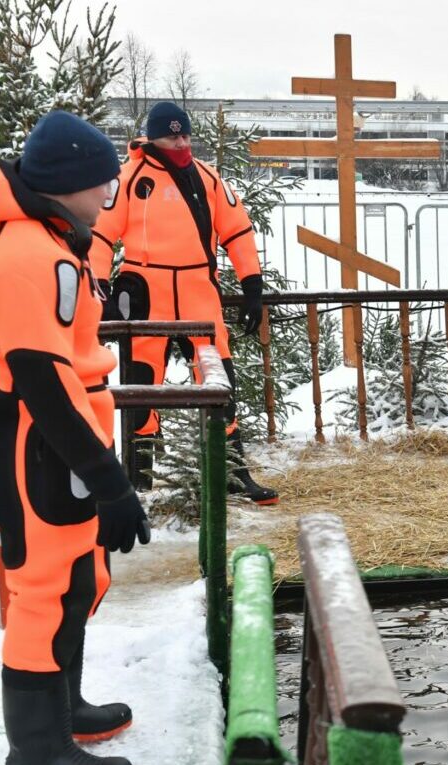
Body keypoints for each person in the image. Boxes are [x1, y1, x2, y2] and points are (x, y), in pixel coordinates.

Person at [0, 111, 149, 765]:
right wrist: (109, 479)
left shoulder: (49, 236)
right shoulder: (31, 254)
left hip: (46, 437)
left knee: (74, 580)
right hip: (31, 439)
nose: (111, 192)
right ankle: (36, 750)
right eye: (103, 181)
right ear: (69, 184)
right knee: (43, 591)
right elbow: (45, 384)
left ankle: (65, 710)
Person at [88, 100, 277, 504]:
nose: (180, 141)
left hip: (198, 292)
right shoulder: (129, 177)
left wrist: (252, 286)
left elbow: (238, 230)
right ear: (152, 136)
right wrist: (100, 288)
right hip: (147, 291)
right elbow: (102, 235)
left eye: (185, 133)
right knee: (140, 386)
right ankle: (138, 479)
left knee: (219, 382)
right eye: (172, 134)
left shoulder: (207, 178)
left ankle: (233, 472)